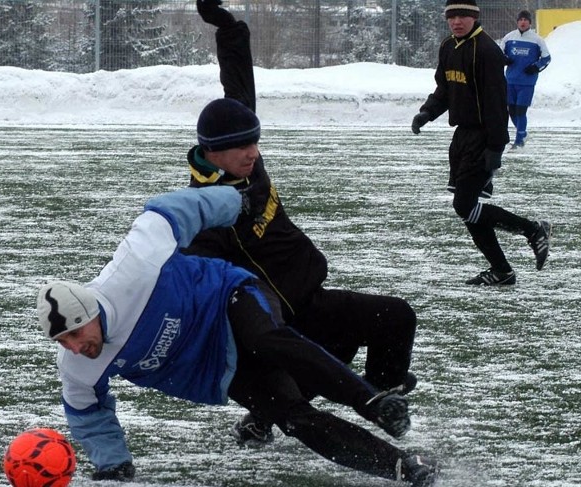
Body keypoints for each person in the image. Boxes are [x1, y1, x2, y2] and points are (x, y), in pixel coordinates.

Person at [37, 186, 438, 486]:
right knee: (294, 418)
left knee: (267, 338)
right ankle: (403, 466)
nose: (75, 347)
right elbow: (88, 414)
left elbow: (167, 213)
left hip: (229, 297)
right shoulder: (77, 368)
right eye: (63, 343)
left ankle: (371, 401)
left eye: (76, 333)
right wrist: (113, 464)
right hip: (221, 365)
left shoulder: (132, 269)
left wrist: (233, 202)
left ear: (90, 309)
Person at [189, 0, 418, 445]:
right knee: (319, 363)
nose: (253, 153)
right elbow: (203, 285)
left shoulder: (242, 158)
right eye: (242, 148)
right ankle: (265, 413)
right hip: (287, 324)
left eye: (255, 142)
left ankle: (382, 392)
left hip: (313, 296)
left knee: (395, 317)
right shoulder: (204, 212)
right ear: (212, 153)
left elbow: (237, 87)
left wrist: (230, 28)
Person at [410, 0, 551, 286]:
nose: (456, 21)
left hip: (483, 136)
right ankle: (502, 270)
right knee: (469, 208)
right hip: (461, 136)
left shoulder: (487, 51)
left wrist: (496, 146)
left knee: (464, 206)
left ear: (474, 17)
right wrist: (428, 112)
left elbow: (497, 104)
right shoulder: (448, 46)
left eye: (462, 16)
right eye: (452, 16)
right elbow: (445, 89)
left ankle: (532, 230)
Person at [500, 10, 551, 149]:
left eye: (525, 20)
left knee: (521, 111)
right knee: (511, 110)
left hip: (527, 82)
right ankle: (522, 133)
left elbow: (547, 58)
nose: (523, 22)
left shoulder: (537, 40)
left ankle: (519, 141)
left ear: (530, 22)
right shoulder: (509, 37)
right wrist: (505, 60)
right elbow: (499, 54)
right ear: (517, 22)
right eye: (520, 19)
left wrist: (535, 67)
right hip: (510, 80)